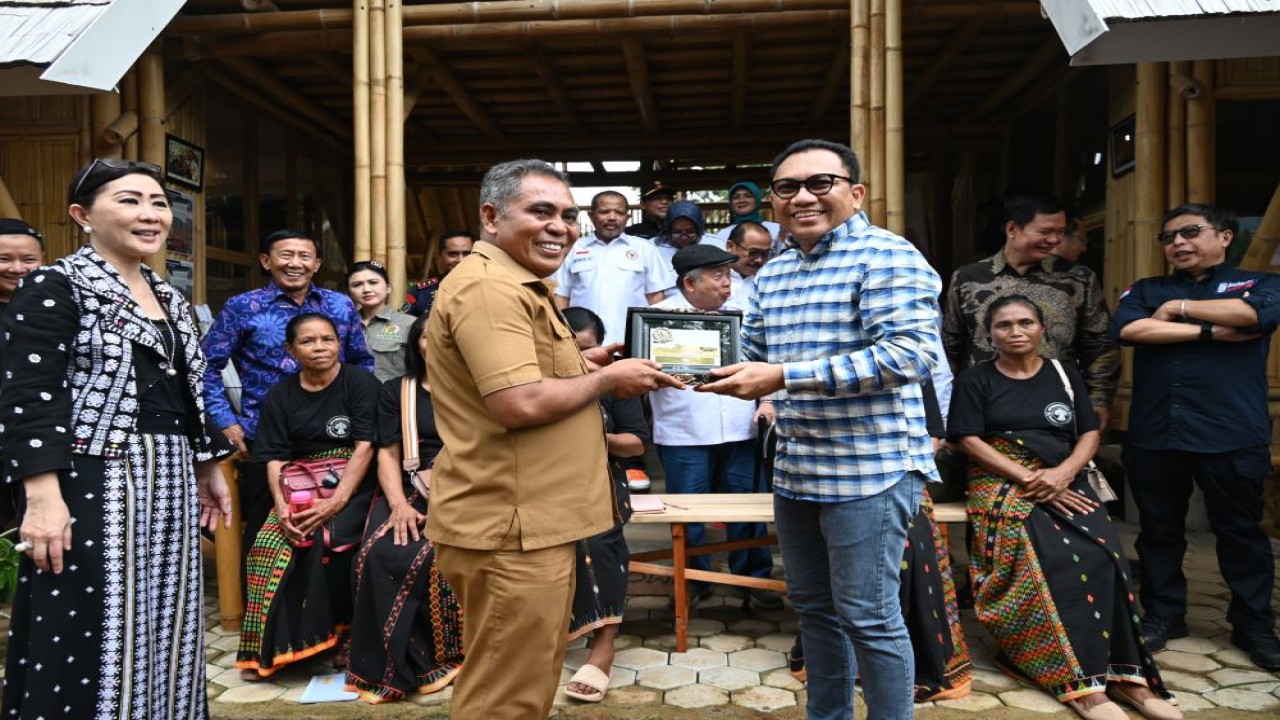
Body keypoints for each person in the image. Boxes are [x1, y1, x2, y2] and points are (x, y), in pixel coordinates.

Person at [423, 159, 680, 719]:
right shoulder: (491, 289)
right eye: (540, 212)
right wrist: (608, 380)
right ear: (490, 217)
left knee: (524, 680)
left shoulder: (519, 285)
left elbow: (526, 374)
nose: (560, 226)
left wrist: (584, 361)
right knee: (505, 696)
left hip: (532, 521)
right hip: (511, 526)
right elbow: (518, 403)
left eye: (567, 215)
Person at [699, 138, 940, 720]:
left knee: (869, 615)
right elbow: (748, 351)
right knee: (814, 608)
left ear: (855, 193)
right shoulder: (776, 273)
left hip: (872, 469)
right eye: (787, 188)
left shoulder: (888, 255)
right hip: (798, 468)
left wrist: (784, 375)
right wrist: (667, 364)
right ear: (773, 202)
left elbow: (908, 356)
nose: (802, 197)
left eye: (820, 183)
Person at [0, 158, 234, 719]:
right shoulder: (56, 286)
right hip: (91, 478)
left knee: (166, 619)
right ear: (83, 215)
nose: (150, 215)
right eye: (130, 200)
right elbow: (30, 394)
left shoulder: (170, 298)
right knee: (93, 622)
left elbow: (187, 392)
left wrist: (208, 468)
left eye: (157, 202)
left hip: (170, 474)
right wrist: (42, 497)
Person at [949, 296, 1179, 720]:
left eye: (1024, 322)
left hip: (1063, 475)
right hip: (1001, 479)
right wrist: (1030, 479)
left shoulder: (1063, 373)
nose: (1015, 332)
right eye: (1004, 326)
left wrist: (1062, 473)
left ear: (1042, 329)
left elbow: (1088, 433)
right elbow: (968, 439)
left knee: (1106, 556)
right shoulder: (975, 379)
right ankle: (1081, 685)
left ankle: (1127, 676)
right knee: (1051, 558)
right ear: (989, 335)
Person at [1112, 203, 1280, 671]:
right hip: (1157, 431)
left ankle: (1254, 624)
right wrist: (1209, 331)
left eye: (1191, 232)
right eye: (1169, 237)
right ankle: (1165, 615)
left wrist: (1177, 311)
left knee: (1241, 534)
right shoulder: (1148, 289)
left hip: (1230, 432)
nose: (1178, 243)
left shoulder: (1262, 282)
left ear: (1225, 236)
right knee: (1159, 532)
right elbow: (1127, 328)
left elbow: (1258, 314)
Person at [201, 229, 374, 562]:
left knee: (337, 537)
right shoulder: (243, 307)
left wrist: (357, 413)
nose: (295, 263)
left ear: (317, 264)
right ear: (267, 261)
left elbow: (361, 362)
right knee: (266, 535)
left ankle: (328, 612)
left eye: (304, 256)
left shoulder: (339, 305)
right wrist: (224, 421)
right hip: (264, 440)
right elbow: (204, 366)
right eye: (286, 255)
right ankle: (266, 610)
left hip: (333, 439)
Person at [236, 313, 380, 679]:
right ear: (290, 349)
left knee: (335, 539)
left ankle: (345, 635)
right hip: (298, 483)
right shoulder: (281, 395)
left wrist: (336, 501)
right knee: (269, 542)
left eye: (328, 340)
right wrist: (282, 506)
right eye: (308, 341)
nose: (320, 348)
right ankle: (271, 649)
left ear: (339, 343)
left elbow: (365, 446)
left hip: (352, 479)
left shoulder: (360, 383)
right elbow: (274, 458)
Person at [650, 244, 779, 610]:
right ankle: (692, 579)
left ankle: (753, 578)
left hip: (741, 428)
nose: (728, 284)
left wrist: (768, 402)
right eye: (719, 276)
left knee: (748, 508)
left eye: (729, 275)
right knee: (687, 513)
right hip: (684, 431)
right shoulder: (656, 320)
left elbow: (767, 364)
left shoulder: (746, 316)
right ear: (690, 283)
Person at [346, 314, 464, 703]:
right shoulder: (397, 390)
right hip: (412, 486)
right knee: (378, 554)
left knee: (435, 553)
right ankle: (404, 664)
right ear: (416, 344)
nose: (439, 344)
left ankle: (447, 654)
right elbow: (388, 452)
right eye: (430, 337)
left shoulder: (480, 387)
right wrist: (397, 504)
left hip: (471, 490)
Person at [943, 192, 1118, 428]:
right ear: (1012, 229)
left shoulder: (1077, 279)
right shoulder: (968, 278)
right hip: (984, 403)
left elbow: (1099, 343)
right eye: (1045, 232)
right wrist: (947, 405)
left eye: (1061, 232)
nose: (1055, 240)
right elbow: (950, 345)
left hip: (1057, 404)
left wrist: (1099, 398)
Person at [560, 307, 648, 703]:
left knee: (597, 542)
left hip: (601, 480)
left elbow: (636, 443)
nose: (584, 359)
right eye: (572, 350)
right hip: (541, 482)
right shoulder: (539, 381)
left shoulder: (615, 383)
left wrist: (592, 436)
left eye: (590, 349)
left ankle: (603, 648)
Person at [552, 190, 674, 346]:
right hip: (581, 344)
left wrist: (655, 338)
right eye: (604, 212)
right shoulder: (572, 249)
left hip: (632, 341)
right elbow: (561, 298)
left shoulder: (645, 248)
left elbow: (656, 299)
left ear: (627, 218)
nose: (612, 217)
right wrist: (563, 338)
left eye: (619, 213)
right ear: (591, 215)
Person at [347, 259, 418, 381]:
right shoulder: (343, 325)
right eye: (357, 285)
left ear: (389, 287)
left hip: (394, 397)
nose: (366, 289)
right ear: (349, 291)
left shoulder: (410, 324)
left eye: (373, 282)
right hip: (352, 397)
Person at [402, 230, 475, 316]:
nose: (460, 260)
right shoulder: (422, 292)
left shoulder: (489, 287)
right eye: (453, 254)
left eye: (467, 254)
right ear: (439, 256)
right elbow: (401, 323)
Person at [712, 181, 782, 250]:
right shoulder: (722, 234)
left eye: (748, 196)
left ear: (757, 199)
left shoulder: (777, 230)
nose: (741, 200)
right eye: (736, 197)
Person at [723, 220, 775, 306]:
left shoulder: (771, 282)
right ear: (730, 246)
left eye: (765, 254)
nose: (760, 260)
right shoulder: (710, 279)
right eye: (753, 253)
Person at [0, 218, 44, 311]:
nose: (17, 269)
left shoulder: (61, 303)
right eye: (4, 259)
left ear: (43, 259)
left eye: (29, 260)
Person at [653, 199, 713, 267]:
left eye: (690, 232)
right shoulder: (652, 249)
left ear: (699, 230)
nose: (684, 237)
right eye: (677, 232)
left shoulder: (716, 246)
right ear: (668, 231)